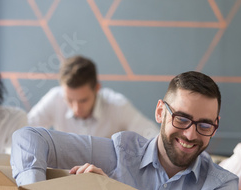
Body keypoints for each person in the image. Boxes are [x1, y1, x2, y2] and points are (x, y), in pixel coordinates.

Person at [11, 71, 239, 190]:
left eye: (205, 125)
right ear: (161, 112)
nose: (190, 134)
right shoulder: (119, 153)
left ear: (215, 126)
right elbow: (28, 138)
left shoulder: (222, 185)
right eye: (181, 119)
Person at [28, 55, 159, 138]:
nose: (76, 108)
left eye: (83, 100)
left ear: (97, 89)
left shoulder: (117, 105)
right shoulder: (54, 98)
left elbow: (152, 135)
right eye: (69, 100)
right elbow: (24, 132)